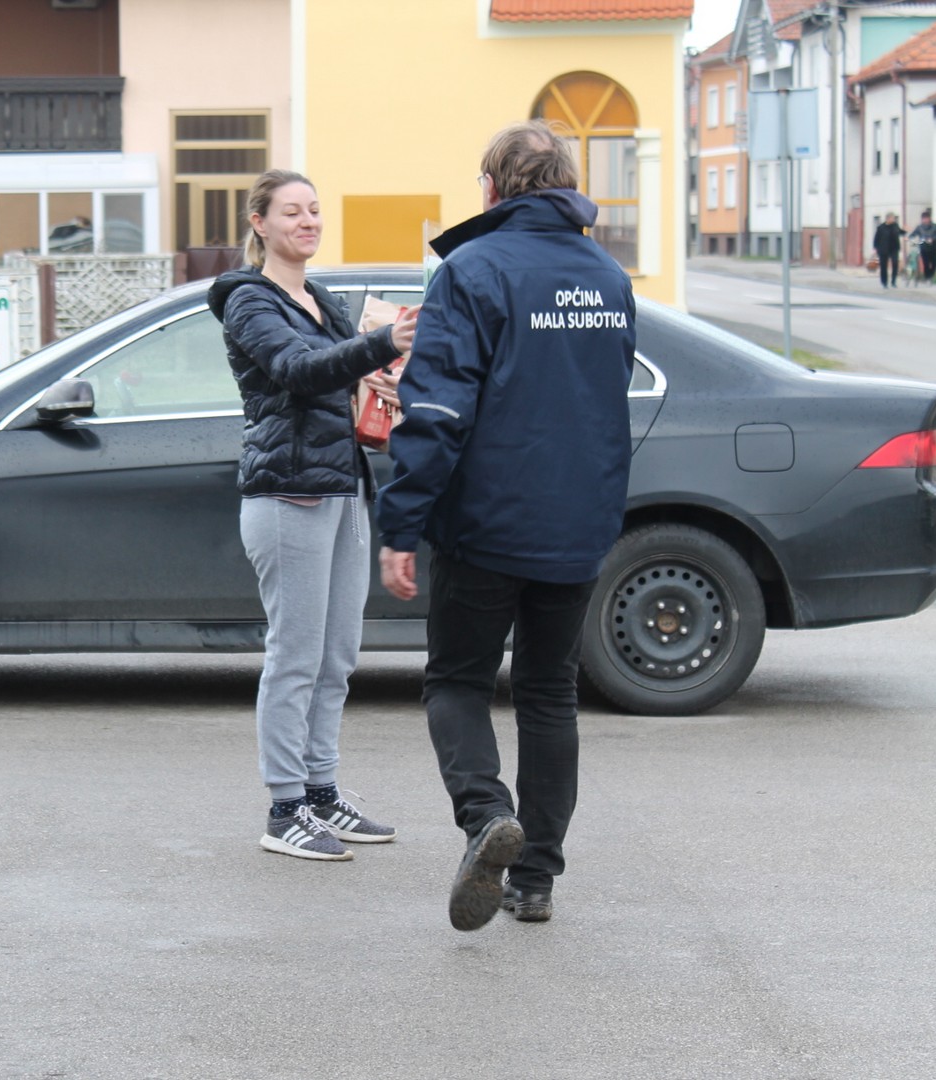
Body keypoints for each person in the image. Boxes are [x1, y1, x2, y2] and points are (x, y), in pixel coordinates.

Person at [377, 121, 635, 928]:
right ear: (566, 186)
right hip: (579, 524)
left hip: (486, 522)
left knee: (456, 681)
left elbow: (438, 410)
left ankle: (487, 816)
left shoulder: (473, 269)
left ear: (491, 189)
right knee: (550, 693)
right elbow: (604, 394)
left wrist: (400, 523)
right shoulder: (607, 275)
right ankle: (535, 880)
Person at [208, 169, 419, 861]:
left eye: (315, 211)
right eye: (292, 212)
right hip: (287, 494)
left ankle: (321, 792)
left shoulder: (321, 299)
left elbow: (340, 376)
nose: (308, 222)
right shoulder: (249, 300)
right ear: (260, 223)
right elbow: (299, 371)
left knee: (336, 657)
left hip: (343, 490)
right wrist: (383, 346)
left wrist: (380, 383)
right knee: (295, 657)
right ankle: (283, 809)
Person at [873, 213, 904, 287]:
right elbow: (876, 238)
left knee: (895, 264)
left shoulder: (895, 226)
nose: (893, 220)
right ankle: (884, 282)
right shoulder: (881, 227)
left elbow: (900, 232)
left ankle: (893, 281)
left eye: (894, 218)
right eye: (892, 218)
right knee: (883, 266)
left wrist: (905, 231)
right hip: (883, 249)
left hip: (894, 248)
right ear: (887, 219)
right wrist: (875, 248)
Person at [910, 209, 936, 282]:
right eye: (923, 219)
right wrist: (909, 237)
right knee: (926, 263)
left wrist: (932, 239)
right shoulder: (919, 227)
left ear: (929, 219)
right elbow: (913, 234)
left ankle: (931, 275)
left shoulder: (935, 226)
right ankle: (927, 277)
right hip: (924, 247)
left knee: (934, 263)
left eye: (926, 218)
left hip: (933, 247)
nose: (925, 220)